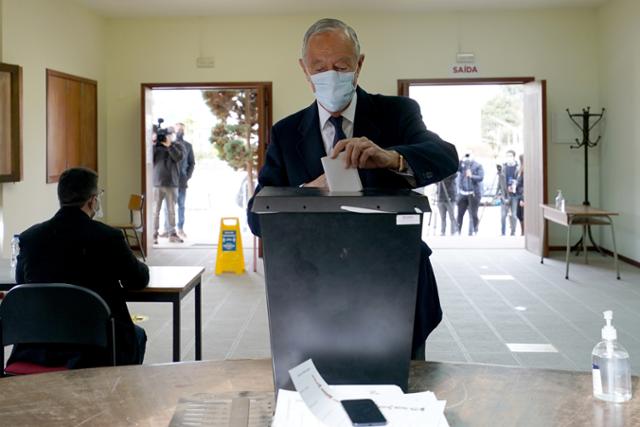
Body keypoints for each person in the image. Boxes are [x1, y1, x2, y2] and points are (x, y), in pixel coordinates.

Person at [246, 18, 458, 359]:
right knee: (316, 395)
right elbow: (257, 218)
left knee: (403, 394)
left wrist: (390, 158)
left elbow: (445, 157)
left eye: (341, 66)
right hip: (315, 293)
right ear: (304, 70)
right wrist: (307, 191)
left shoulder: (397, 114)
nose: (330, 75)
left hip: (395, 285)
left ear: (359, 65)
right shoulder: (286, 133)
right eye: (320, 67)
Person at [9, 167, 149, 368]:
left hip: (41, 345)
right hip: (99, 347)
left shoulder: (30, 238)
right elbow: (138, 279)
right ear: (92, 200)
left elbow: (22, 282)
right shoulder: (108, 237)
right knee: (136, 335)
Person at [152, 122, 184, 244]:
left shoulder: (178, 146)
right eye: (166, 135)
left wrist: (170, 145)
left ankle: (172, 234)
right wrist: (154, 143)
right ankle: (154, 234)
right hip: (157, 183)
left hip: (172, 183)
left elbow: (178, 157)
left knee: (171, 210)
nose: (167, 137)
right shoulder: (155, 147)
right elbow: (149, 158)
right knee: (155, 211)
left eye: (169, 135)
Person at [163, 122, 195, 239]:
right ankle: (167, 229)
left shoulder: (188, 146)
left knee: (181, 205)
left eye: (181, 129)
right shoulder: (168, 145)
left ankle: (180, 228)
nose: (180, 131)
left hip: (182, 181)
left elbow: (192, 163)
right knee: (168, 206)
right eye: (178, 130)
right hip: (170, 181)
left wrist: (187, 176)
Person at [456, 152, 484, 235]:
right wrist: (461, 159)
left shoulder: (478, 165)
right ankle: (458, 231)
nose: (468, 157)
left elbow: (481, 177)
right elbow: (456, 168)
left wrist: (471, 176)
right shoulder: (462, 165)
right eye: (466, 155)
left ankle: (473, 231)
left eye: (469, 155)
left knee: (473, 214)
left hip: (473, 193)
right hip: (463, 193)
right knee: (460, 213)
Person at [497, 150, 520, 236]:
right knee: (503, 216)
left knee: (514, 215)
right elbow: (499, 182)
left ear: (514, 156)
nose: (508, 158)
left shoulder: (518, 167)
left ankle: (513, 232)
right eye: (507, 156)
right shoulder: (503, 167)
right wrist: (499, 193)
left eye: (510, 156)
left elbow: (520, 181)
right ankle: (503, 233)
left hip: (515, 195)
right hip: (504, 195)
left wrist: (515, 186)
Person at [516, 153, 524, 235]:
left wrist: (523, 199)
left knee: (522, 216)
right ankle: (523, 232)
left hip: (523, 197)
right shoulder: (519, 170)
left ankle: (524, 233)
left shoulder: (526, 171)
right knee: (519, 215)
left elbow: (525, 186)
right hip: (519, 195)